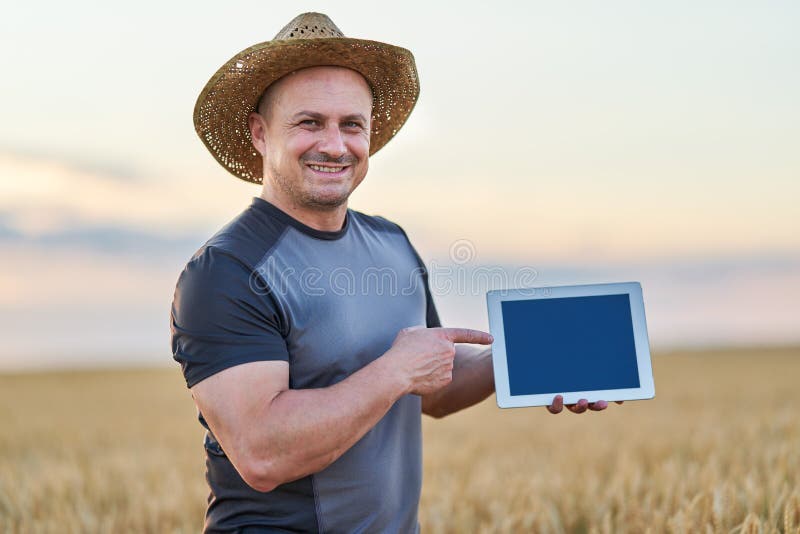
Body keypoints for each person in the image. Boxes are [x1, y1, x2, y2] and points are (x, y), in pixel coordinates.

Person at [170, 12, 615, 534]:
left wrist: (529, 355)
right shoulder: (225, 271)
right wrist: (393, 371)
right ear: (259, 134)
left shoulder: (392, 243)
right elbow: (263, 454)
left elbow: (433, 389)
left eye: (352, 124)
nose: (335, 145)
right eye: (309, 122)